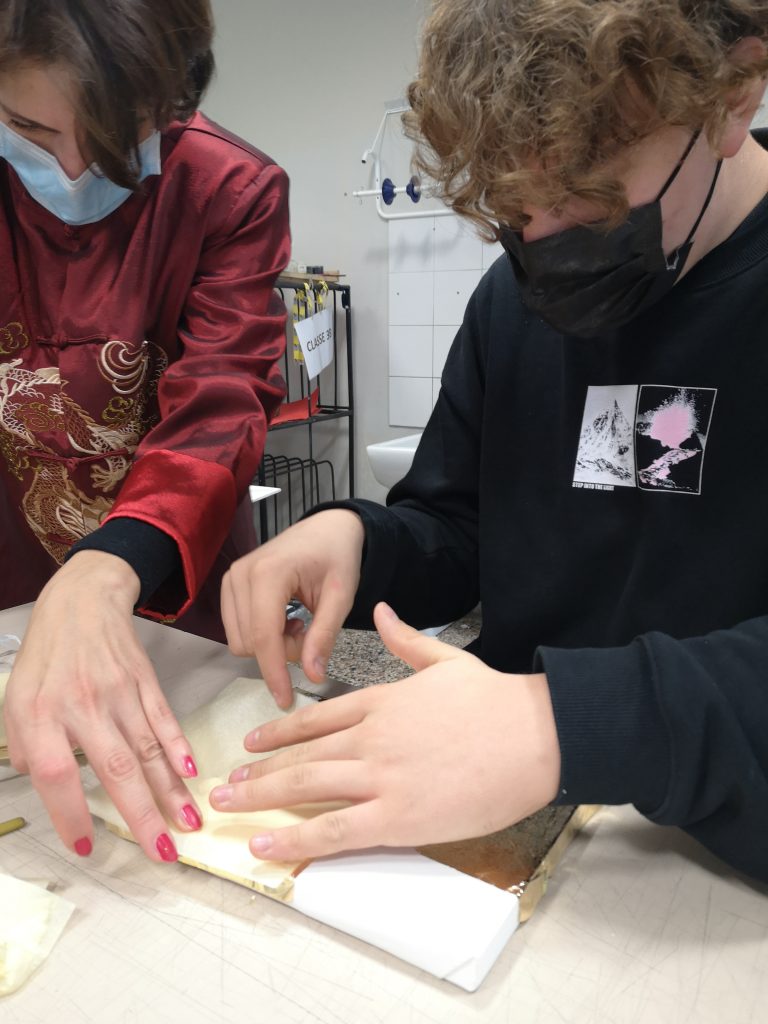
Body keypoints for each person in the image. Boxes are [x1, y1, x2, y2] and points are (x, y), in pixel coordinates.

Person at [216, 0, 768, 884]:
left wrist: (565, 724)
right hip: (500, 822)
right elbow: (461, 528)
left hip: (700, 862)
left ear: (734, 94)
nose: (543, 246)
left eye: (586, 199)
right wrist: (362, 542)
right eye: (512, 209)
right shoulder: (512, 305)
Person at [0, 1, 290, 865]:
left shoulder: (227, 187)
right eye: (28, 128)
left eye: (116, 137)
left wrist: (108, 565)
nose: (75, 168)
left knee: (183, 799)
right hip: (14, 571)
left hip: (176, 592)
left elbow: (222, 397)